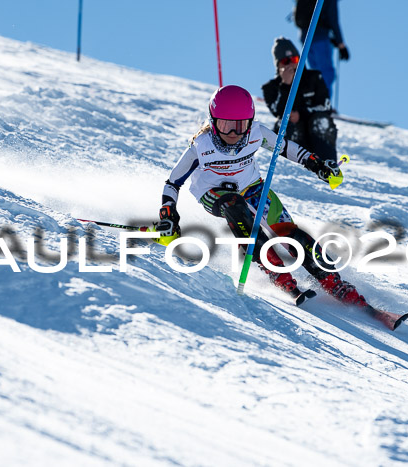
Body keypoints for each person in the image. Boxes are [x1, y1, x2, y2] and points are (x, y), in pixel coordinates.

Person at [155, 85, 368, 308]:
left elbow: (286, 147)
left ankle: (334, 282)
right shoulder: (200, 147)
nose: (233, 134)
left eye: (241, 126)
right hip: (213, 193)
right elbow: (172, 183)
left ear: (250, 122)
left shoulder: (256, 133)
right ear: (213, 121)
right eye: (226, 126)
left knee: (290, 233)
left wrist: (318, 165)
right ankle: (278, 274)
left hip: (252, 187)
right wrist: (168, 216)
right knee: (235, 206)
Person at [262, 37, 338, 163]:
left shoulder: (314, 77)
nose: (291, 64)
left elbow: (325, 106)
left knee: (321, 121)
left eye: (294, 59)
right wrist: (286, 85)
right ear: (278, 65)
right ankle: (290, 167)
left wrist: (301, 114)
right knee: (283, 124)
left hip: (315, 132)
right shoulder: (271, 88)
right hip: (294, 135)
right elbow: (277, 111)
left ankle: (327, 166)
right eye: (286, 61)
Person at [294, 0, 350, 99]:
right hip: (320, 36)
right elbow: (333, 19)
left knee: (315, 72)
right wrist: (340, 43)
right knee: (326, 72)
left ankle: (312, 101)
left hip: (304, 36)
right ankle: (323, 103)